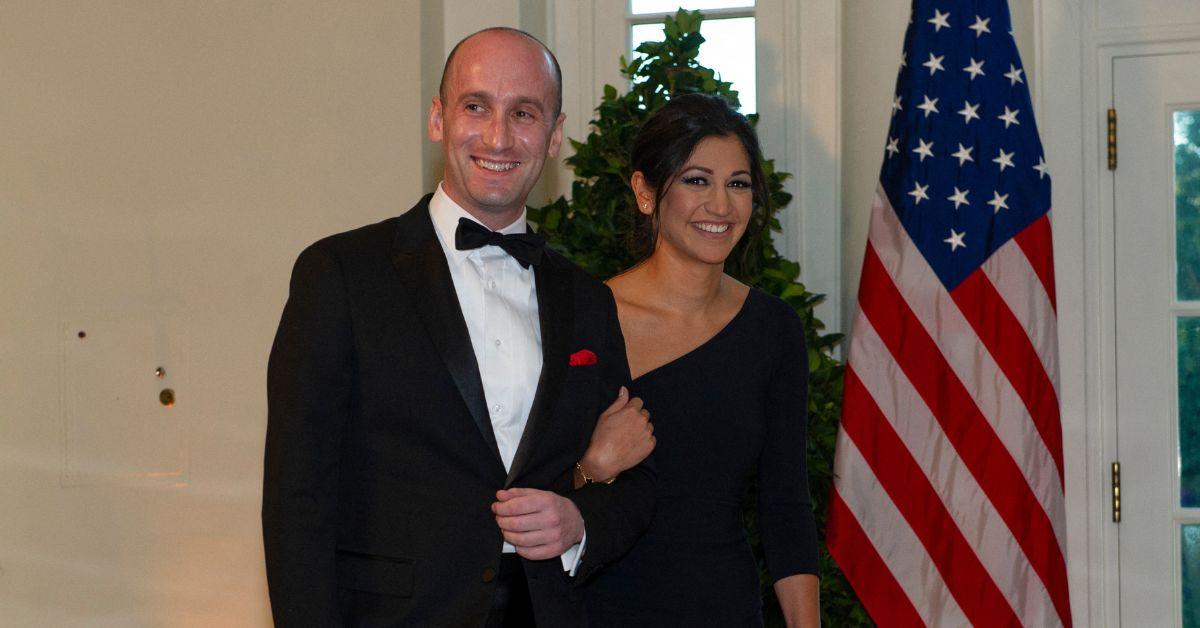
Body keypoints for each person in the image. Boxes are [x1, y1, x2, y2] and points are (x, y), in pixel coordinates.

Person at [262, 27, 655, 627]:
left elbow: (636, 477)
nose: (499, 136)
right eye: (477, 107)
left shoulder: (588, 300)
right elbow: (298, 498)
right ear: (438, 119)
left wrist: (579, 522)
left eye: (524, 113)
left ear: (553, 136)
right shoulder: (340, 274)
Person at [583, 93, 821, 627]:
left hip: (725, 609)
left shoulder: (772, 330)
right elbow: (525, 494)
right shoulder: (583, 319)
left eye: (738, 183)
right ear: (645, 193)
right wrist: (592, 469)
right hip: (598, 612)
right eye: (696, 180)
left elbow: (785, 507)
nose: (721, 205)